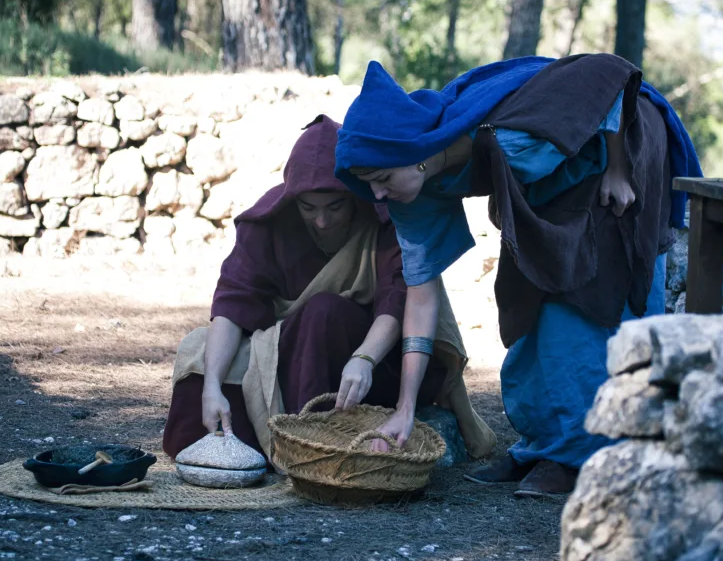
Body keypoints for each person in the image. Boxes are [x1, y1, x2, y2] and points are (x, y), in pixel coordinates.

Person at [333, 53, 702, 497]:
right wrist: (405, 408)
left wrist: (620, 167)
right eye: (367, 182)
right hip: (551, 176)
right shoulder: (411, 188)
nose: (375, 193)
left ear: (414, 157)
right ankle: (543, 446)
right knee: (526, 299)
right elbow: (422, 294)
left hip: (619, 142)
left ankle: (586, 457)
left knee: (586, 307)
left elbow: (610, 75)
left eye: (380, 177)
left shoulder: (511, 132)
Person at [163, 115, 495, 463]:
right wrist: (212, 385)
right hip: (292, 353)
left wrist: (364, 358)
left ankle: (311, 448)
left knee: (324, 312)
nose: (322, 220)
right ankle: (233, 449)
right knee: (200, 348)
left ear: (354, 196)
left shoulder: (386, 217)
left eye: (334, 207)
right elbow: (234, 304)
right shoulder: (267, 223)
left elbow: (397, 302)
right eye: (309, 208)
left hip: (379, 365)